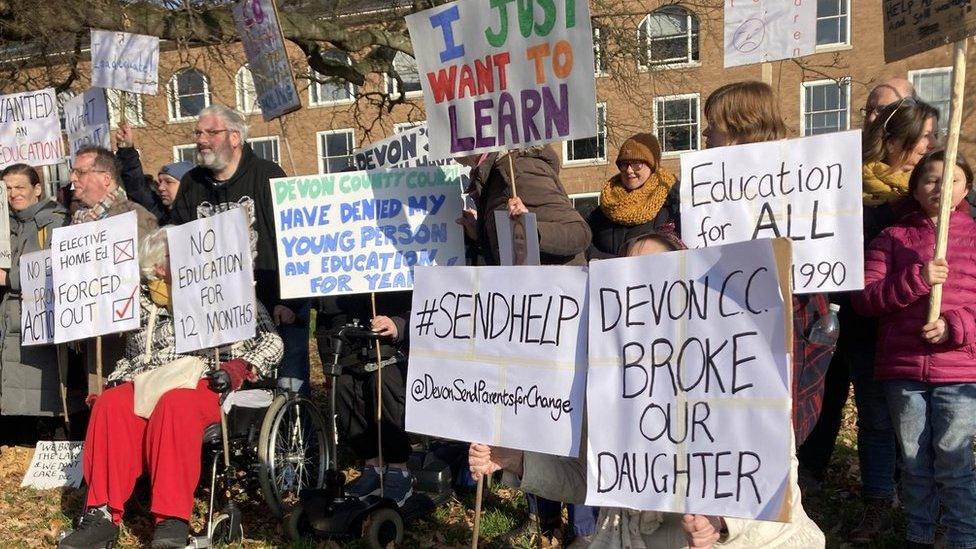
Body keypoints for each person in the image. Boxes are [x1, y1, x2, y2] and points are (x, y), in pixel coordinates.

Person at [469, 228, 826, 549]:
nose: (639, 288)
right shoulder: (609, 377)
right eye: (626, 278)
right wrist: (516, 460)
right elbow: (586, 477)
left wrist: (721, 522)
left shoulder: (736, 369)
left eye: (655, 276)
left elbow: (774, 483)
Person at [58, 229, 284, 549]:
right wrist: (116, 381)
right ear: (159, 268)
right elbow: (133, 358)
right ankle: (102, 515)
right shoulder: (144, 306)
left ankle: (172, 519)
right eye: (175, 254)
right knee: (111, 405)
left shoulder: (227, 290)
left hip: (206, 379)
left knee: (175, 404)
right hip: (152, 380)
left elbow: (271, 341)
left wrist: (237, 368)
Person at [799, 99, 941, 532]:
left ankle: (886, 492)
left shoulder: (917, 198)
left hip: (889, 320)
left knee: (880, 414)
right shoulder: (843, 183)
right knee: (824, 398)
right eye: (925, 137)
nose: (930, 145)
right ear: (898, 140)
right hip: (836, 309)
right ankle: (813, 476)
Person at [852, 150, 976, 549]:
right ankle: (919, 535)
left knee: (954, 461)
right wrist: (917, 278)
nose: (941, 187)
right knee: (915, 463)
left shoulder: (974, 238)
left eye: (952, 179)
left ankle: (961, 536)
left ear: (966, 188)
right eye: (931, 179)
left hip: (958, 371)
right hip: (903, 370)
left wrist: (955, 326)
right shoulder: (891, 239)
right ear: (916, 187)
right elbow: (867, 299)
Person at [700, 81, 834, 446]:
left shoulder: (798, 181)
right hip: (726, 326)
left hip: (787, 320)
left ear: (739, 127)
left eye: (713, 124)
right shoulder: (706, 191)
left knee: (778, 434)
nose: (705, 132)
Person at [168, 105, 311, 393]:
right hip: (217, 316)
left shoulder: (268, 175)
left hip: (276, 307)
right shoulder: (191, 185)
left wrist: (291, 303)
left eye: (211, 132)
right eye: (198, 132)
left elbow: (295, 243)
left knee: (288, 391)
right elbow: (177, 243)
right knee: (231, 397)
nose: (201, 139)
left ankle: (302, 438)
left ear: (235, 137)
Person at [70, 145, 159, 387]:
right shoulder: (75, 222)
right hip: (92, 334)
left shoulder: (136, 217)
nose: (73, 178)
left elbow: (150, 274)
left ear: (106, 178)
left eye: (80, 172)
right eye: (73, 172)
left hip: (126, 339)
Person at [317, 291, 415, 505]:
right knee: (343, 386)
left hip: (394, 347)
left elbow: (424, 306)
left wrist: (398, 324)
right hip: (351, 347)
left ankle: (399, 470)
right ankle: (372, 466)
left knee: (383, 381)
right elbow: (326, 317)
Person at [0, 164, 81, 424]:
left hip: (37, 329)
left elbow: (56, 269)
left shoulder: (56, 221)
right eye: (7, 189)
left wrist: (9, 278)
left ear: (37, 189)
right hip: (8, 327)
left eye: (19, 187)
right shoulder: (5, 225)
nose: (13, 194)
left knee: (42, 414)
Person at [456, 145, 592, 267]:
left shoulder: (522, 170)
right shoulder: (494, 175)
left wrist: (531, 230)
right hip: (530, 290)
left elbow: (580, 233)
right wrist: (480, 234)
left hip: (555, 289)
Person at [586, 132, 678, 259]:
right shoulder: (603, 210)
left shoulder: (673, 205)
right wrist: (610, 262)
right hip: (610, 276)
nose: (629, 170)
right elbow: (586, 246)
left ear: (652, 165)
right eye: (624, 164)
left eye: (636, 163)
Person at [115, 123, 169, 222]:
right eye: (160, 182)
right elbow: (136, 185)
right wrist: (126, 149)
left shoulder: (198, 211)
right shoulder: (159, 213)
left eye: (169, 182)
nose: (161, 188)